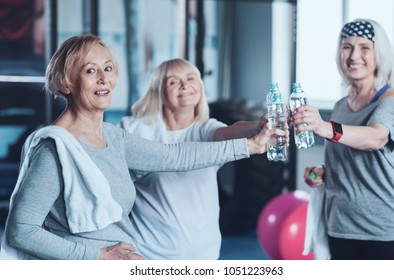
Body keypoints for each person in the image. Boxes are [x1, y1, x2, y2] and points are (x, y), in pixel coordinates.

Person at [0, 35, 286, 260]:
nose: (104, 78)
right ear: (66, 82)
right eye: (90, 70)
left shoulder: (115, 137)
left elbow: (174, 156)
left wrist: (250, 145)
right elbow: (21, 231)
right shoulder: (55, 149)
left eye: (108, 68)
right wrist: (98, 256)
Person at [118, 58, 283, 259]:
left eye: (190, 78)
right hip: (149, 251)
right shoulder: (134, 129)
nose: (185, 85)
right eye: (173, 81)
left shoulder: (206, 128)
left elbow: (228, 132)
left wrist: (256, 126)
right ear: (158, 91)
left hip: (201, 251)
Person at [295, 19, 394, 260]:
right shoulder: (340, 106)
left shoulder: (390, 100)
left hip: (385, 230)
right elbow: (351, 159)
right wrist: (323, 173)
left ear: (379, 55)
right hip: (341, 226)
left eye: (364, 48)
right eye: (347, 46)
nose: (354, 55)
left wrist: (325, 127)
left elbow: (375, 138)